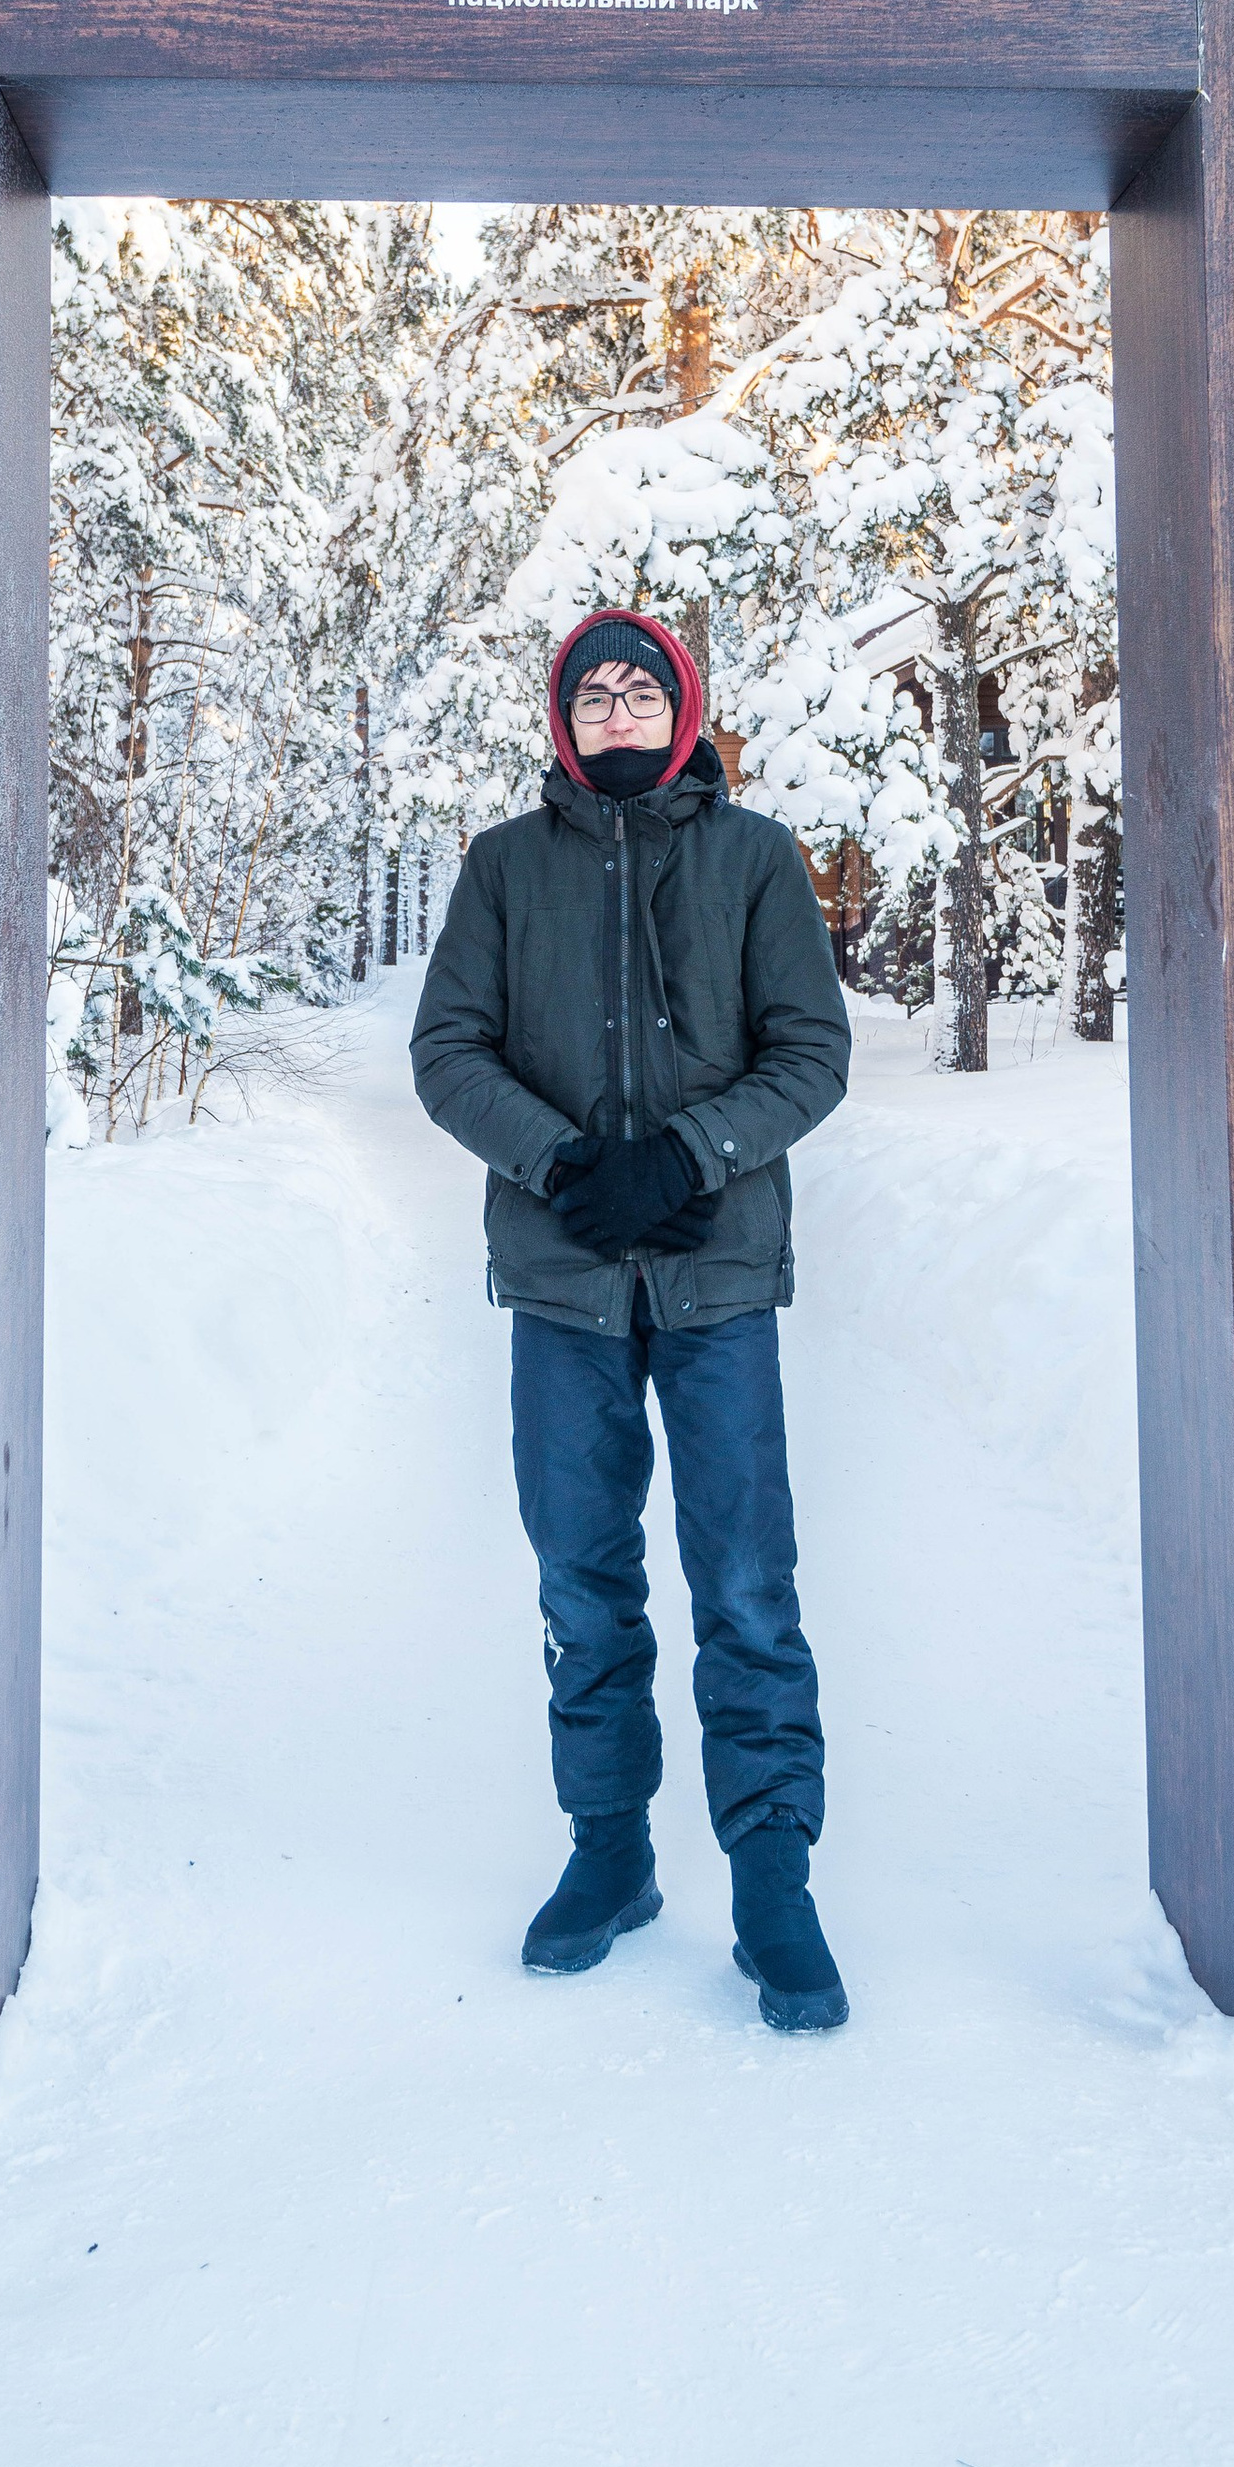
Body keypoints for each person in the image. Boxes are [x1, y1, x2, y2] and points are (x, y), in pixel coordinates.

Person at [410, 607, 854, 2030]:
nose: (615, 710)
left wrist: (689, 1157)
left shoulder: (756, 858)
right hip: (565, 1288)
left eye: (638, 691)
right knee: (583, 1583)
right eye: (591, 693)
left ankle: (773, 1879)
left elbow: (811, 1053)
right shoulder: (501, 868)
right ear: (562, 718)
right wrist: (561, 1167)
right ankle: (610, 1854)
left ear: (682, 710)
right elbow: (446, 1050)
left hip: (719, 1280)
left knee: (742, 1585)